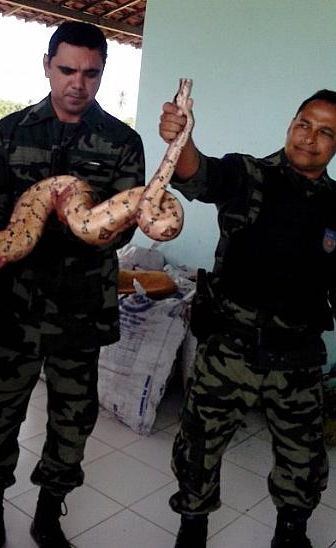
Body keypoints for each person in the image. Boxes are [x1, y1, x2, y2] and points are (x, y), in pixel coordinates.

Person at [0, 21, 145, 548]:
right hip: (15, 303)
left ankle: (48, 512)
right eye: (67, 69)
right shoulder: (11, 130)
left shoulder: (120, 143)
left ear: (102, 73)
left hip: (80, 310)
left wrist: (85, 225)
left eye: (90, 73)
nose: (77, 84)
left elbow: (122, 226)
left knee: (72, 420)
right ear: (47, 65)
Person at [159, 88, 336, 548]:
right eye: (304, 124)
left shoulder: (335, 205)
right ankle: (192, 528)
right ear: (290, 123)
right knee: (199, 449)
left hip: (297, 358)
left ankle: (291, 532)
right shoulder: (251, 175)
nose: (310, 138)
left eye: (325, 132)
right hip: (230, 350)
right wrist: (183, 141)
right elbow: (200, 176)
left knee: (304, 462)